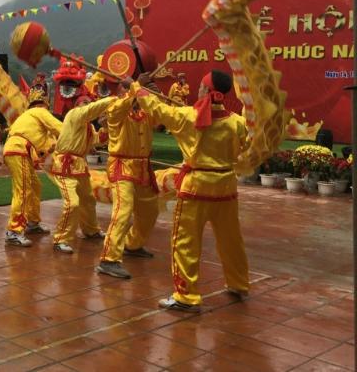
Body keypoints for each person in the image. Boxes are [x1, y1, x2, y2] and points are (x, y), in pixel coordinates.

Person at [134, 70, 249, 313]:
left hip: (196, 187)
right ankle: (239, 283)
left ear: (207, 90)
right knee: (231, 240)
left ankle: (186, 296)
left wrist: (136, 87)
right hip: (226, 186)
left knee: (185, 242)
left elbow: (156, 109)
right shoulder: (237, 122)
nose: (196, 89)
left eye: (200, 86)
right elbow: (249, 147)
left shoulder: (187, 116)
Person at [96, 81, 159, 280]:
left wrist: (153, 96)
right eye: (125, 89)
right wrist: (135, 90)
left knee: (150, 211)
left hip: (142, 168)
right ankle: (109, 259)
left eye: (129, 89)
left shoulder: (145, 115)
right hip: (122, 165)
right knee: (123, 209)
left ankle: (133, 244)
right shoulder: (115, 113)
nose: (128, 93)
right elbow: (119, 107)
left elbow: (161, 116)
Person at [49, 94, 114, 254]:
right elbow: (91, 110)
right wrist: (114, 99)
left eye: (89, 103)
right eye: (85, 102)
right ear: (78, 105)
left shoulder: (89, 127)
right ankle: (60, 239)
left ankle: (91, 230)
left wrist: (105, 126)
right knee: (73, 203)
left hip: (80, 165)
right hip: (65, 164)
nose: (88, 104)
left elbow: (99, 140)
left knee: (88, 199)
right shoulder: (73, 114)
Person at [3, 88, 63, 247]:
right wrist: (80, 138)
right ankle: (13, 232)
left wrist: (50, 150)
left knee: (35, 185)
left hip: (21, 150)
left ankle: (33, 222)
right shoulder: (40, 112)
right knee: (22, 190)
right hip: (18, 150)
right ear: (44, 104)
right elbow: (60, 128)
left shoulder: (27, 117)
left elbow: (44, 148)